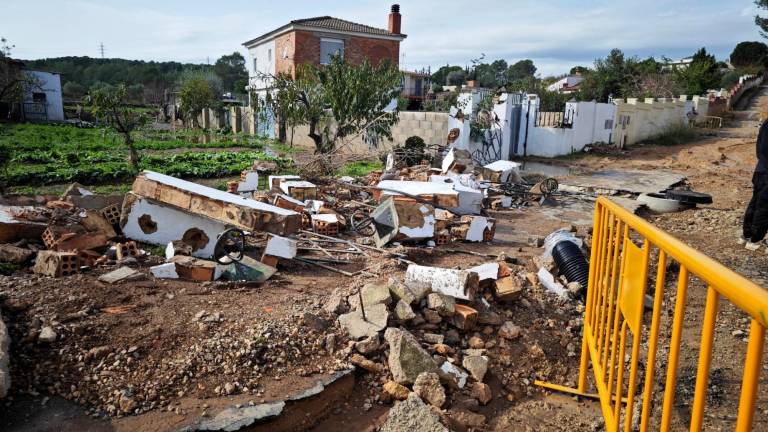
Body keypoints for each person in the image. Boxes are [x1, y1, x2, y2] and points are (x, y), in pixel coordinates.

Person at [742, 119, 768, 249]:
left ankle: (747, 235)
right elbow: (764, 149)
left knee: (756, 203)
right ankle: (755, 239)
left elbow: (760, 150)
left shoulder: (766, 124)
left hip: (761, 171)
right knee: (764, 207)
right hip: (765, 173)